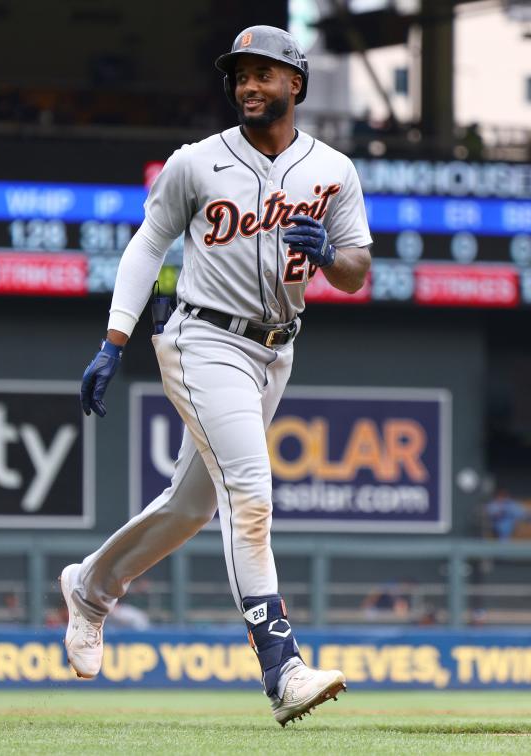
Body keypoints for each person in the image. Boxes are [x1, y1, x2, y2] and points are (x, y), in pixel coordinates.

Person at [60, 26, 372, 726]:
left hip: (275, 351)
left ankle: (89, 587)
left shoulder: (334, 171)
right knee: (250, 497)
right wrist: (113, 341)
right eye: (240, 75)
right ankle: (283, 668)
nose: (249, 86)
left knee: (192, 507)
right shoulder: (197, 162)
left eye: (264, 73)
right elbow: (147, 245)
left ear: (296, 83)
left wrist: (327, 257)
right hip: (203, 337)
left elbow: (357, 272)